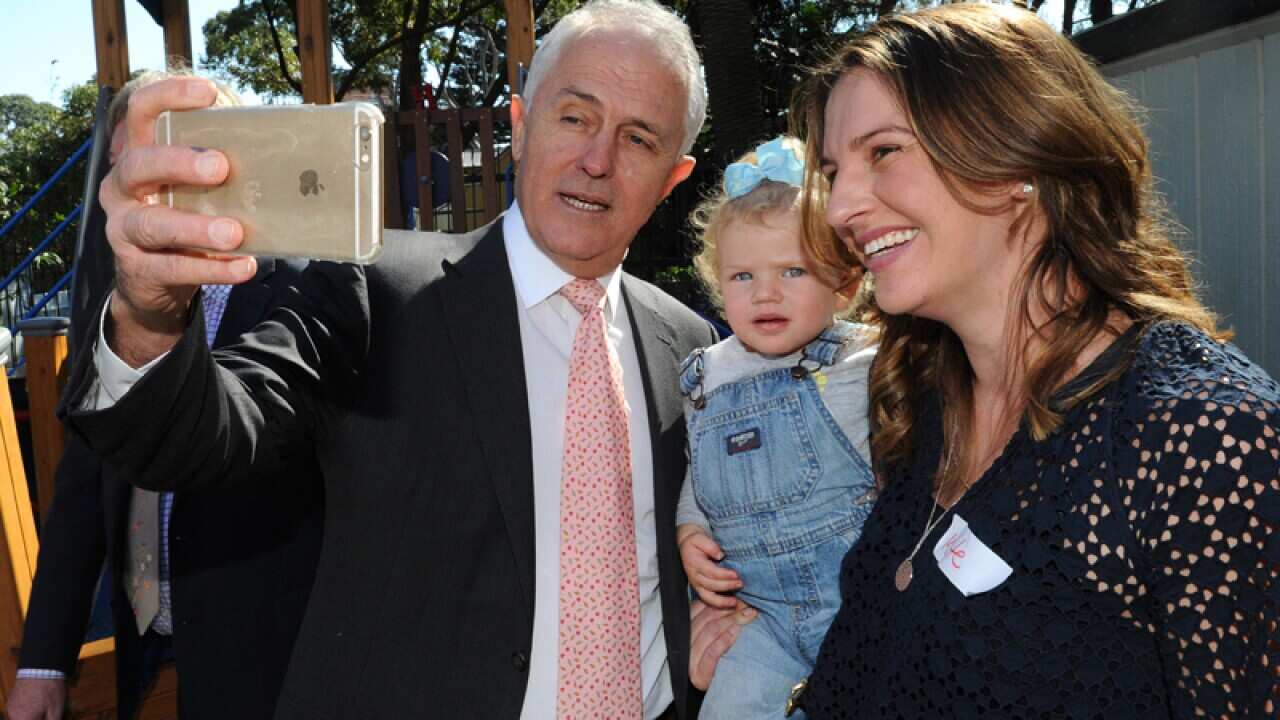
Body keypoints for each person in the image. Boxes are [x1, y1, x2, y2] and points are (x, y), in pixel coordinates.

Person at [58, 0, 721, 716]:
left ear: (672, 177)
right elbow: (203, 436)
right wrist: (150, 314)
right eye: (574, 117)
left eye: (638, 138)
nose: (597, 161)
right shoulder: (376, 293)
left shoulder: (692, 350)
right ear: (522, 125)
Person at [772, 4, 1278, 717]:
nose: (839, 208)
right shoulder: (921, 400)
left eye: (883, 151)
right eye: (833, 171)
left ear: (1018, 158)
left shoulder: (1204, 436)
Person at [7, 71, 324, 720]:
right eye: (124, 167)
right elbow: (83, 488)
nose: (139, 189)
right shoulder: (110, 301)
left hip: (267, 672)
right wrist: (43, 663)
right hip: (139, 650)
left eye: (166, 161)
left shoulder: (306, 286)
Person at [673, 136, 876, 719]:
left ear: (845, 282)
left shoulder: (862, 364)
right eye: (742, 276)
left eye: (793, 270)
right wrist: (690, 533)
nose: (766, 293)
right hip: (758, 619)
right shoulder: (706, 377)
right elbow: (699, 471)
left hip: (858, 606)